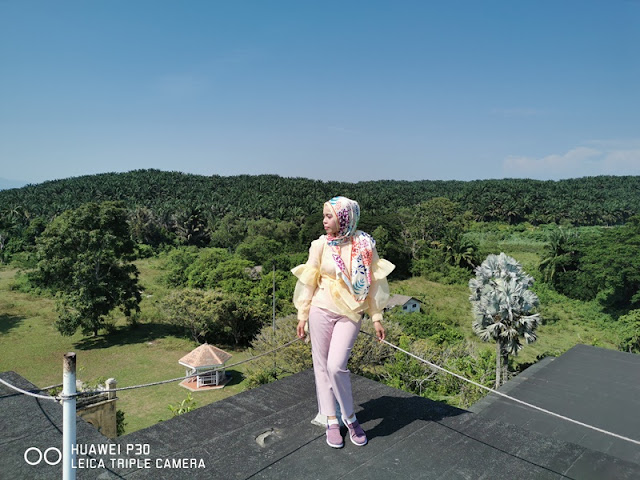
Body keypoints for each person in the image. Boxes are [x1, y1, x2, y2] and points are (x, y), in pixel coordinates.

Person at [291, 196, 395, 448]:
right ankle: (331, 419)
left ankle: (349, 417)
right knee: (321, 366)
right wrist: (302, 314)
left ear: (345, 218)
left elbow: (374, 283)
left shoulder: (364, 244)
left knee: (337, 366)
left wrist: (377, 316)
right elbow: (310, 280)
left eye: (329, 216)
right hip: (320, 308)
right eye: (324, 216)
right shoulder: (320, 245)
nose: (324, 221)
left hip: (352, 312)